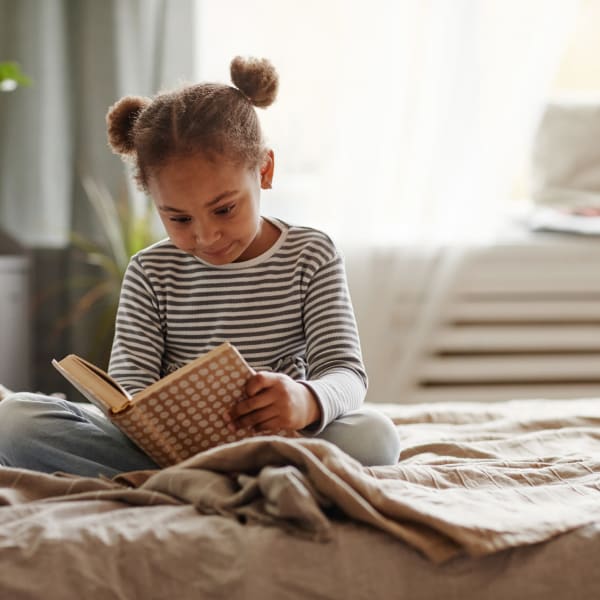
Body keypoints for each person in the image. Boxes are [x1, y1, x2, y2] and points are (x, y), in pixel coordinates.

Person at [0, 57, 400, 478]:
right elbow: (128, 389)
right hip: (167, 449)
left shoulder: (310, 255)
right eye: (179, 219)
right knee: (15, 422)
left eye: (224, 209)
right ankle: (229, 472)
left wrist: (305, 400)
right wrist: (161, 420)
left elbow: (346, 372)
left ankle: (198, 474)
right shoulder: (150, 272)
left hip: (284, 437)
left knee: (373, 436)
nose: (207, 236)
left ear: (264, 170)